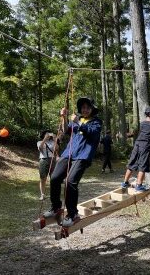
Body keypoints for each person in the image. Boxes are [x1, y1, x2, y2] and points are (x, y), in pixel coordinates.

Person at [43, 97, 102, 227]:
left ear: (92, 109)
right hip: (69, 153)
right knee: (55, 177)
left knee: (70, 181)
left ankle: (72, 214)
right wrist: (64, 117)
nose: (85, 109)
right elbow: (65, 130)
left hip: (83, 155)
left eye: (87, 107)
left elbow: (93, 133)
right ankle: (56, 207)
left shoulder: (96, 122)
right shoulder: (77, 119)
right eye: (83, 107)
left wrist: (79, 123)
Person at [121, 106, 150, 191]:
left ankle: (125, 182)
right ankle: (139, 185)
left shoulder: (142, 123)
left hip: (137, 144)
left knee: (132, 164)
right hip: (145, 146)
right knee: (143, 165)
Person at [37, 129, 58, 200]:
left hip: (52, 159)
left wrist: (55, 139)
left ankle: (53, 194)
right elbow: (40, 148)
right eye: (46, 134)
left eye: (49, 134)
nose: (48, 135)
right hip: (43, 160)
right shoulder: (39, 142)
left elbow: (57, 149)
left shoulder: (52, 142)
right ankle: (42, 194)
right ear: (43, 135)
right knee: (43, 178)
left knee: (53, 178)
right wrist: (45, 139)